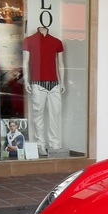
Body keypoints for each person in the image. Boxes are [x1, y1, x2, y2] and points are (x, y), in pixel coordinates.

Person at [23, 26, 65, 156]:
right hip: (37, 83)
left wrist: (62, 81)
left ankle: (54, 144)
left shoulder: (57, 42)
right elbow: (25, 62)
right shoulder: (29, 40)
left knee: (55, 115)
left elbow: (60, 64)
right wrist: (26, 80)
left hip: (54, 84)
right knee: (38, 115)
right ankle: (40, 144)